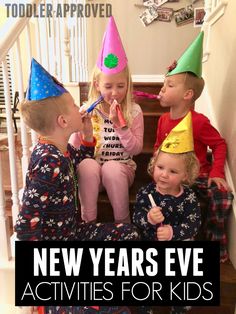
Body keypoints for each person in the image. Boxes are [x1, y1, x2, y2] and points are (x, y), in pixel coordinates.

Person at [15, 58, 139, 314]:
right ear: (62, 121)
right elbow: (27, 224)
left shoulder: (63, 151)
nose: (79, 107)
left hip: (74, 234)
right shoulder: (48, 161)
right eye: (73, 105)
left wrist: (86, 133)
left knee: (129, 235)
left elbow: (82, 158)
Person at [153, 31, 233, 263]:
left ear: (188, 94)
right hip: (171, 175)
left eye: (169, 85)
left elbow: (219, 145)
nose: (162, 89)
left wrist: (216, 172)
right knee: (163, 197)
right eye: (163, 84)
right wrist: (156, 167)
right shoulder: (162, 121)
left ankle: (215, 240)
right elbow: (158, 147)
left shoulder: (198, 121)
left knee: (223, 195)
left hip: (198, 176)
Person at [70, 16, 144, 224]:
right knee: (86, 165)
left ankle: (123, 224)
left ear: (128, 85)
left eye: (120, 86)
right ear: (97, 85)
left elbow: (136, 149)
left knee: (111, 168)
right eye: (108, 86)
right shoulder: (88, 110)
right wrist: (80, 129)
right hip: (94, 176)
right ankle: (88, 223)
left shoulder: (134, 111)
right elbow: (74, 150)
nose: (114, 93)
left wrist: (121, 127)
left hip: (121, 171)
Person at [133, 112, 201, 314]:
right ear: (153, 166)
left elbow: (194, 223)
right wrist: (148, 218)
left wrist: (173, 233)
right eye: (160, 167)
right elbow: (137, 217)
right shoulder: (146, 193)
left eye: (173, 171)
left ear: (185, 175)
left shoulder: (188, 197)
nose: (164, 174)